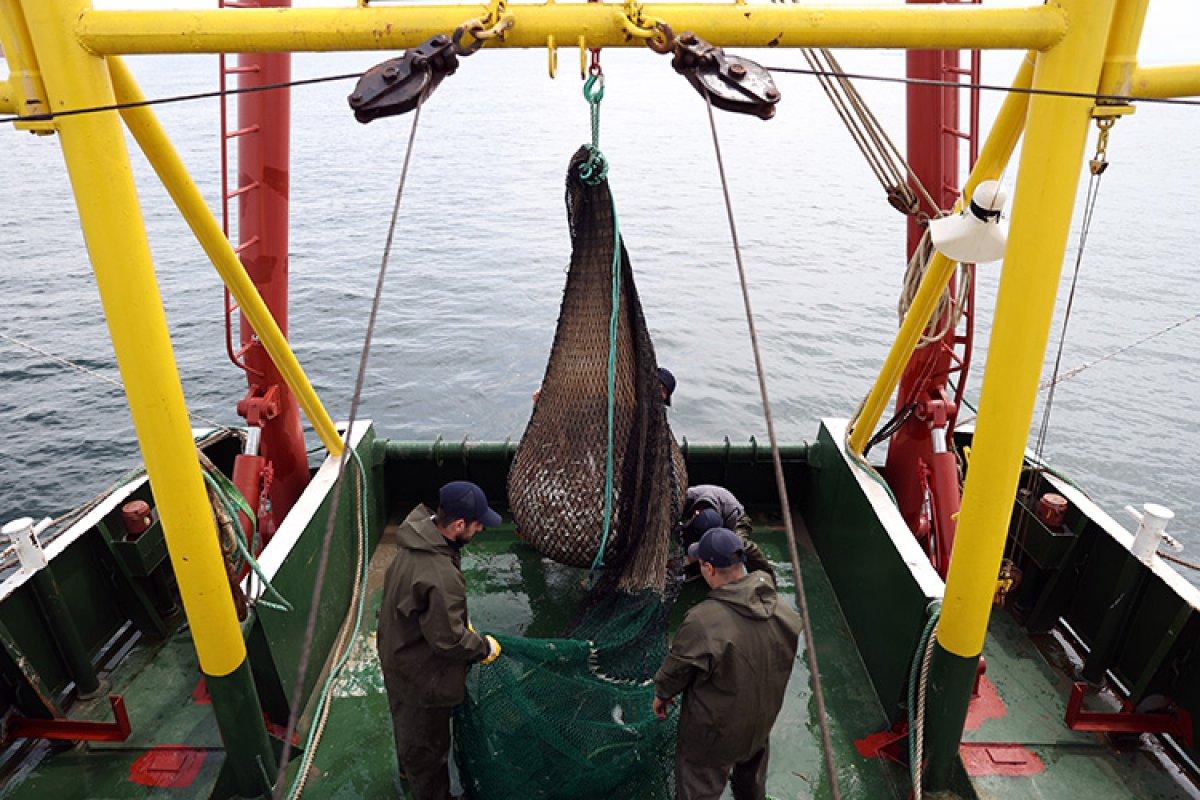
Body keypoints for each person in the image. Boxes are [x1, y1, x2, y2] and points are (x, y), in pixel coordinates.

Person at [376, 480, 504, 800]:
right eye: (477, 524)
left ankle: (407, 767)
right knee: (428, 750)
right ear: (458, 525)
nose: (480, 530)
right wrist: (483, 647)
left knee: (405, 723)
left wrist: (450, 618)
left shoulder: (416, 538)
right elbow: (449, 642)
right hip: (421, 677)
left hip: (396, 654)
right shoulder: (439, 573)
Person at [653, 528, 801, 800]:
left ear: (708, 568)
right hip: (760, 725)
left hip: (714, 738)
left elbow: (677, 668)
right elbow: (763, 568)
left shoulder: (703, 620)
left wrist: (662, 694)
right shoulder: (777, 604)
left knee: (698, 786)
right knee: (751, 783)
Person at [679, 486, 772, 580]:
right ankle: (695, 567)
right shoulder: (684, 499)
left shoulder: (725, 521)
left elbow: (743, 548)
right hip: (706, 514)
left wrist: (767, 576)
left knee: (738, 546)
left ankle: (766, 575)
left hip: (735, 519)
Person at [532, 365, 676, 405]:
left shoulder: (654, 415)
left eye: (665, 393)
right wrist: (548, 391)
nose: (662, 395)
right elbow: (584, 385)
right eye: (661, 388)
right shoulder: (625, 388)